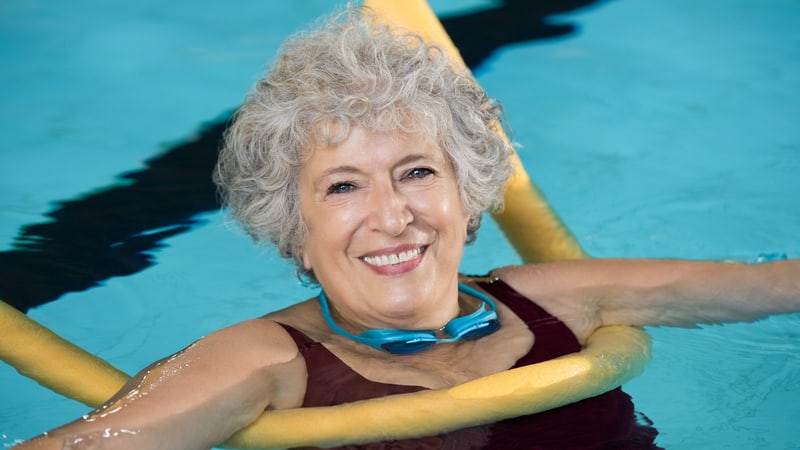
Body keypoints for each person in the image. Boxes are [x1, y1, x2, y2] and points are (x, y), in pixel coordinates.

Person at [14, 7, 799, 450]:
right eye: (342, 186)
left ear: (470, 195)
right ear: (292, 230)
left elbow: (773, 285)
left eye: (418, 171)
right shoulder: (264, 361)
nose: (392, 214)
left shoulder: (559, 299)